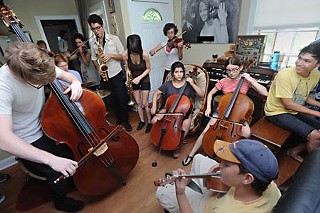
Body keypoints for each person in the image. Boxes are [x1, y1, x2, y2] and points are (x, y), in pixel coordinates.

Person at [0, 41, 84, 212]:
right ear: (22, 76)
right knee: (53, 169)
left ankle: (71, 180)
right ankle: (60, 201)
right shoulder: (3, 86)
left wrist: (75, 83)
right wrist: (51, 159)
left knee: (71, 153)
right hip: (27, 138)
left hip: (48, 124)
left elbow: (68, 77)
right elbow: (4, 139)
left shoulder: (37, 63)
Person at [182, 57, 268, 166]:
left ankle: (236, 158)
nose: (231, 73)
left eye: (235, 70)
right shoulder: (223, 81)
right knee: (205, 131)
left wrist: (251, 80)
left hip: (239, 115)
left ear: (241, 68)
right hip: (222, 112)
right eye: (228, 70)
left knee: (247, 134)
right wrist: (208, 107)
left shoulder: (246, 81)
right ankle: (191, 154)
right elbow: (210, 94)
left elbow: (264, 93)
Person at [156, 139, 281, 213]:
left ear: (247, 178)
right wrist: (221, 170)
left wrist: (180, 193)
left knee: (162, 192)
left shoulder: (225, 210)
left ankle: (185, 188)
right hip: (224, 192)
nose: (219, 165)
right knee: (199, 158)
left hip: (208, 206)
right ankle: (195, 184)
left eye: (226, 164)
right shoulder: (270, 185)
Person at [264, 43, 320, 163]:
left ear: (317, 64)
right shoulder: (284, 75)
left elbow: (305, 97)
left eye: (306, 61)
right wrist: (317, 113)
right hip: (276, 112)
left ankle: (293, 151)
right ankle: (312, 169)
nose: (299, 63)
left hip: (293, 110)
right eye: (299, 58)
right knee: (315, 135)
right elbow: (288, 104)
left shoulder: (316, 75)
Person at [88, 14, 132, 132]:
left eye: (98, 28)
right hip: (104, 76)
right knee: (111, 100)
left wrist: (111, 55)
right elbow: (93, 59)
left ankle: (126, 120)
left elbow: (124, 57)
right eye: (93, 29)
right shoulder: (92, 43)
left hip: (116, 74)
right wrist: (98, 69)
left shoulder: (114, 39)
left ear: (103, 26)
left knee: (121, 98)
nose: (96, 31)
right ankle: (119, 118)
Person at [151, 61, 204, 158]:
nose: (179, 74)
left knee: (185, 126)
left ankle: (176, 146)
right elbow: (155, 93)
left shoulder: (188, 84)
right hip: (168, 109)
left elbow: (201, 95)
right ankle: (162, 139)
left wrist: (192, 84)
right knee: (154, 120)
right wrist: (154, 106)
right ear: (172, 73)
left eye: (181, 72)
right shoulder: (167, 84)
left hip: (184, 112)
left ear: (184, 72)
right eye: (176, 72)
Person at [122, 34, 152, 133]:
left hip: (144, 78)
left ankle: (150, 122)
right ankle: (142, 121)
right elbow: (127, 68)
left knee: (144, 103)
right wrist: (128, 76)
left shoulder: (145, 55)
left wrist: (139, 78)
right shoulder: (125, 54)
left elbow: (148, 69)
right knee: (138, 102)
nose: (134, 53)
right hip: (133, 79)